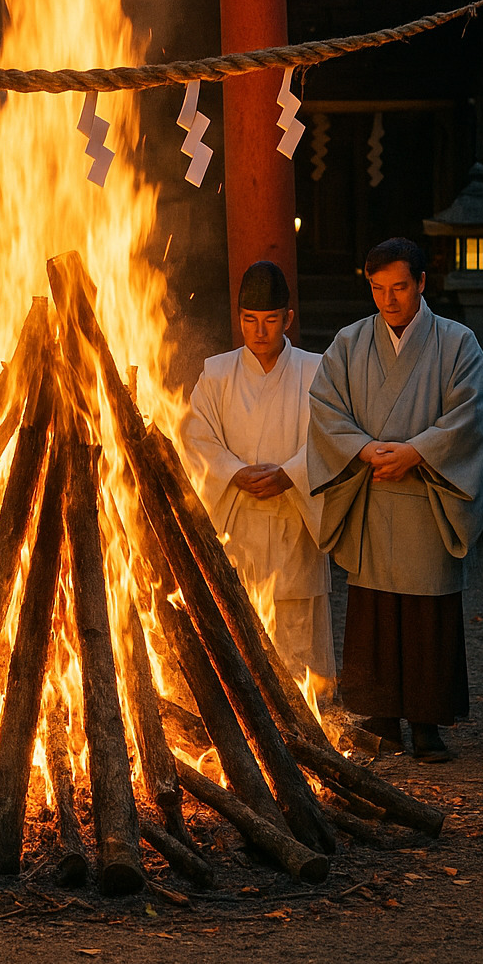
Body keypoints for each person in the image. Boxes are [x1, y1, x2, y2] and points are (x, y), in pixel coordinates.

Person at [307, 237, 483, 763]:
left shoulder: (457, 343)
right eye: (377, 288)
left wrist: (416, 452)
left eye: (399, 287)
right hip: (371, 491)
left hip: (428, 498)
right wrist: (365, 449)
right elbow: (325, 408)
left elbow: (470, 415)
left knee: (427, 611)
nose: (388, 300)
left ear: (421, 283)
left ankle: (427, 723)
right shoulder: (349, 343)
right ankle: (382, 717)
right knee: (375, 609)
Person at [183, 261, 335, 697]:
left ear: (287, 319)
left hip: (294, 521)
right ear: (239, 319)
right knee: (236, 620)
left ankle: (306, 713)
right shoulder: (216, 373)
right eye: (250, 320)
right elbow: (195, 436)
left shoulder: (316, 371)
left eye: (270, 320)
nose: (259, 331)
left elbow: (332, 438)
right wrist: (233, 471)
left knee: (295, 626)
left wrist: (291, 474)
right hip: (238, 521)